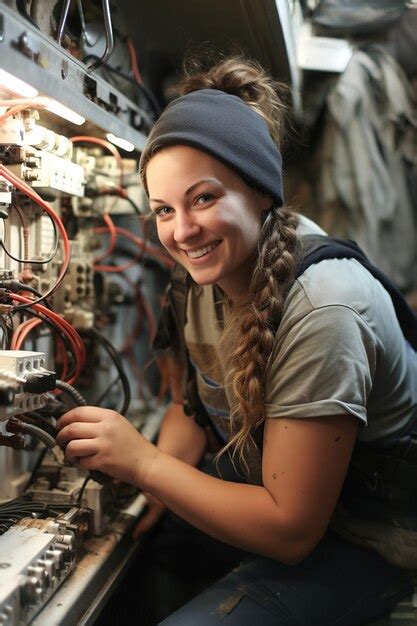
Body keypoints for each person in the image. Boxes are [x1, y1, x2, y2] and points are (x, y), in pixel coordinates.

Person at [56, 57, 417, 626]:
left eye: (203, 199)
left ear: (261, 190)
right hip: (263, 491)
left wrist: (147, 465)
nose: (182, 231)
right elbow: (192, 408)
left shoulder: (325, 308)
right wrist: (144, 487)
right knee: (134, 563)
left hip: (364, 538)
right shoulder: (201, 274)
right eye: (164, 210)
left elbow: (290, 529)